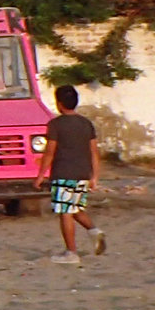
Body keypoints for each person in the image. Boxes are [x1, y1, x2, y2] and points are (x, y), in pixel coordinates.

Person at [39, 84, 104, 262]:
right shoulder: (86, 124)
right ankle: (94, 231)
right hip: (83, 173)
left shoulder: (55, 125)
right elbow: (94, 152)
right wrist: (95, 176)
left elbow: (50, 152)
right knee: (74, 208)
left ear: (59, 103)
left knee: (65, 212)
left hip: (63, 173)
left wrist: (40, 175)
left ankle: (71, 252)